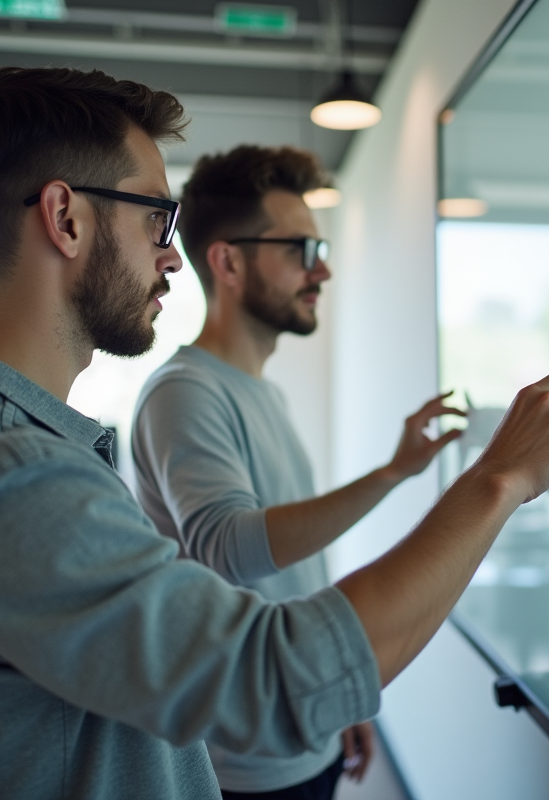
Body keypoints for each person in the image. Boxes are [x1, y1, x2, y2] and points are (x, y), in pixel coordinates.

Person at [0, 66, 549, 800]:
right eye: (156, 217)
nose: (170, 254)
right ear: (66, 217)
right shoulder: (9, 473)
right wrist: (499, 478)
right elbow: (278, 677)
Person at [131, 145, 461, 799]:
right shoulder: (186, 392)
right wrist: (390, 476)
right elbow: (233, 548)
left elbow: (292, 573)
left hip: (305, 728)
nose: (325, 270)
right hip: (246, 760)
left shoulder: (263, 393)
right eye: (302, 251)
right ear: (227, 261)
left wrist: (341, 699)